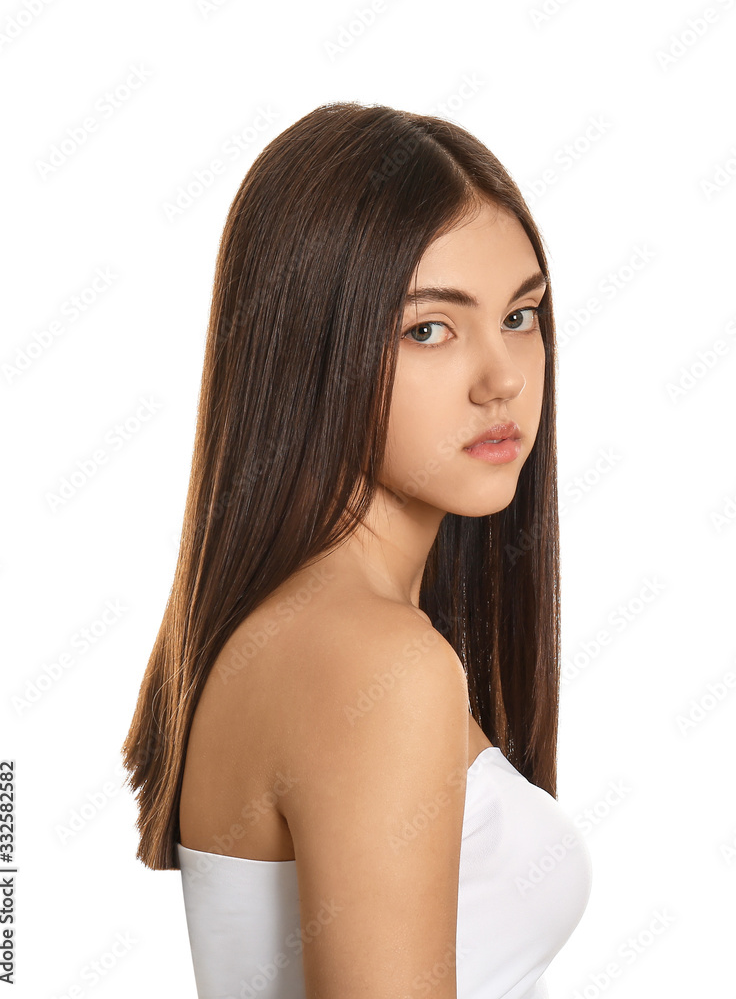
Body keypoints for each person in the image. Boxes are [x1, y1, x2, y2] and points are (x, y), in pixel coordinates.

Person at [121, 101, 592, 998]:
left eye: (522, 316)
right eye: (429, 329)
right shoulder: (380, 664)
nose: (502, 378)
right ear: (311, 352)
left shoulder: (284, 634)